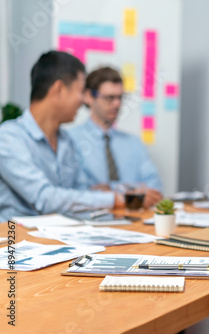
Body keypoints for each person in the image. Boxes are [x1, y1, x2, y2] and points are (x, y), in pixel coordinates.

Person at [0, 51, 124, 221]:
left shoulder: (67, 141)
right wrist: (111, 200)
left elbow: (80, 192)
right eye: (81, 91)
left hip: (64, 239)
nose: (83, 100)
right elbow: (44, 198)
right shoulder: (8, 138)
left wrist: (115, 195)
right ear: (59, 89)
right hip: (18, 242)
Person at [69, 67, 163, 209]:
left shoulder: (133, 143)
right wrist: (134, 192)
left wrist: (111, 189)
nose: (117, 104)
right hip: (91, 223)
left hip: (134, 223)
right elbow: (76, 193)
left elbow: (155, 188)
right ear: (89, 96)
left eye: (120, 97)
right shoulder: (70, 139)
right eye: (109, 98)